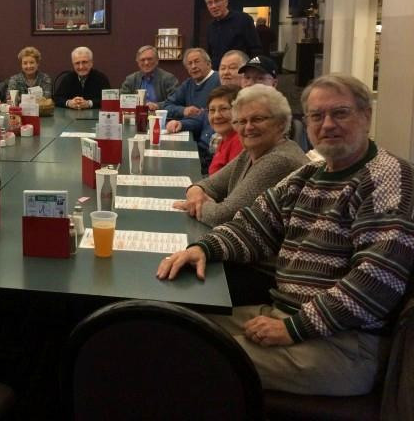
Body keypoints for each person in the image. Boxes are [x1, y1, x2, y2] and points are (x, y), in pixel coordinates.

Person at [157, 74, 414, 396]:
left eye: (341, 113)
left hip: (344, 345)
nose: (328, 124)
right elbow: (255, 223)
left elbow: (378, 279)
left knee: (187, 357)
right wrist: (205, 249)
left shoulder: (387, 177)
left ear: (366, 116)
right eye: (317, 116)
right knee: (166, 325)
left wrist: (292, 328)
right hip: (286, 313)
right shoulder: (309, 174)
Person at [173, 84, 307, 227]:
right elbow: (209, 184)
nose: (248, 127)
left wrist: (194, 205)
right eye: (241, 121)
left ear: (281, 123)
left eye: (257, 119)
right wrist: (195, 191)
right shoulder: (251, 151)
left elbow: (223, 217)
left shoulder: (279, 159)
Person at [204, 0, 262, 68]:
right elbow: (210, 54)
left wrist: (252, 70)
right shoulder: (210, 27)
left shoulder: (243, 20)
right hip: (219, 74)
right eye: (209, 3)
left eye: (217, 1)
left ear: (226, 2)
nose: (213, 6)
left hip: (240, 73)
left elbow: (256, 49)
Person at [163, 48, 220, 120]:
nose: (193, 66)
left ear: (208, 63)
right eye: (190, 63)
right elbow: (167, 106)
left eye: (197, 62)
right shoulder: (187, 84)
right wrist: (183, 110)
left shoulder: (220, 79)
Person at [120, 45, 178, 111]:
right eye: (142, 60)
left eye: (149, 59)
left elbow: (175, 100)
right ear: (138, 62)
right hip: (136, 117)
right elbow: (122, 100)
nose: (146, 63)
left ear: (157, 60)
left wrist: (157, 105)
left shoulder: (169, 79)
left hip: (161, 117)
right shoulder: (131, 80)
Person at [203, 85, 242, 175]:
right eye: (212, 110)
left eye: (223, 109)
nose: (216, 116)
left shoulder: (239, 142)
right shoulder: (224, 138)